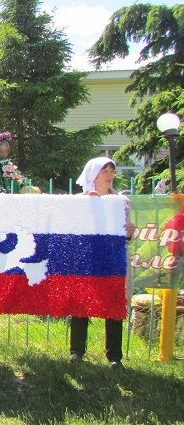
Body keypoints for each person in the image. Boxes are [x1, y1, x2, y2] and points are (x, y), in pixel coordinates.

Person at [71, 157, 136, 370]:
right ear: (93, 175)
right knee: (81, 305)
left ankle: (114, 356)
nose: (109, 176)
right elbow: (72, 228)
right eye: (104, 171)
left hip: (111, 261)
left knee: (113, 305)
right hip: (86, 259)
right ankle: (77, 352)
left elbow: (124, 232)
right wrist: (86, 206)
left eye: (111, 171)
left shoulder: (120, 201)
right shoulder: (79, 200)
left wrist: (129, 233)